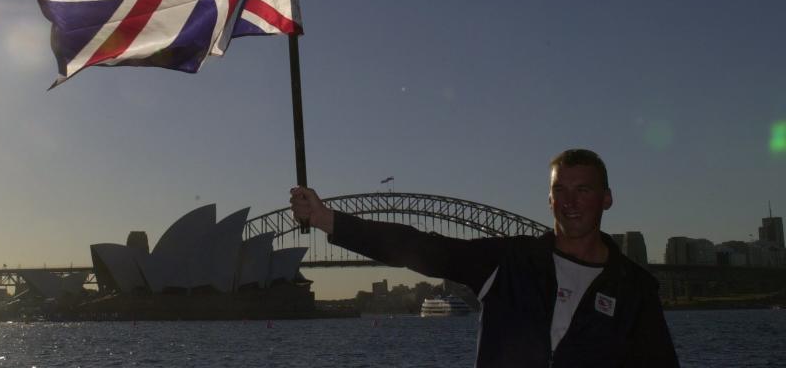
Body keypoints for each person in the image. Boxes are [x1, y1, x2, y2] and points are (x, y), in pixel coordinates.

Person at [290, 149, 679, 367]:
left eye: (584, 190)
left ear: (606, 198)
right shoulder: (509, 262)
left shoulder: (635, 289)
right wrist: (327, 220)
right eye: (560, 190)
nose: (570, 202)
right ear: (548, 199)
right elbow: (416, 245)